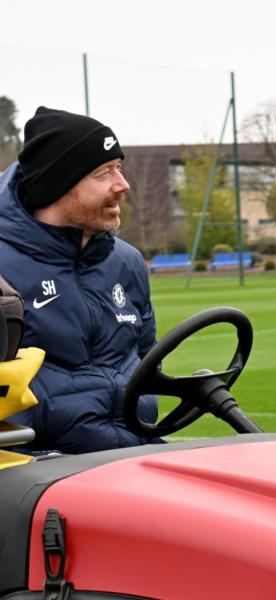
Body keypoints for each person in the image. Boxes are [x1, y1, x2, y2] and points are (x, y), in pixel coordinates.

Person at [0, 107, 159, 453]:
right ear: (58, 185)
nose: (123, 184)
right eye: (104, 173)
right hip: (40, 470)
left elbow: (149, 361)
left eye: (119, 168)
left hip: (137, 452)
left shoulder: (127, 262)